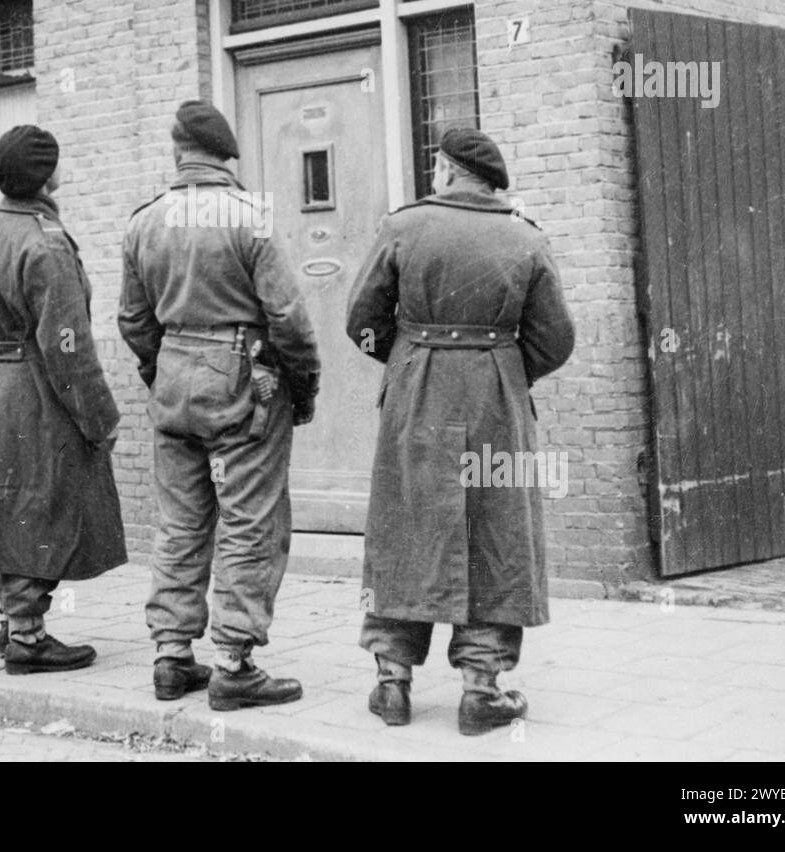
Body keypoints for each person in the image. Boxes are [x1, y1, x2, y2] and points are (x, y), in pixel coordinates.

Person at [345, 126, 575, 733]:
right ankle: (481, 690)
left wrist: (407, 360)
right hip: (495, 393)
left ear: (447, 171)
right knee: (496, 530)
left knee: (405, 524)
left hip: (415, 393)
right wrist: (501, 368)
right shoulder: (525, 236)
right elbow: (556, 339)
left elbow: (361, 320)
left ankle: (392, 683)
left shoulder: (402, 226)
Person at [119, 100, 320, 710]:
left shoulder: (144, 221)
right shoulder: (248, 217)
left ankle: (172, 656)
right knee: (249, 519)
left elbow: (131, 320)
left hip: (173, 384)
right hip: (243, 382)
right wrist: (302, 386)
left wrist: (164, 368)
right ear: (225, 156)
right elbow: (289, 317)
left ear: (179, 150)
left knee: (179, 522)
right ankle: (233, 663)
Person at [0, 125, 126, 674]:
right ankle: (28, 639)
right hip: (39, 391)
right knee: (46, 502)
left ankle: (12, 620)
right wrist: (99, 416)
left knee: (11, 501)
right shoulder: (45, 241)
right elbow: (68, 346)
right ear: (44, 175)